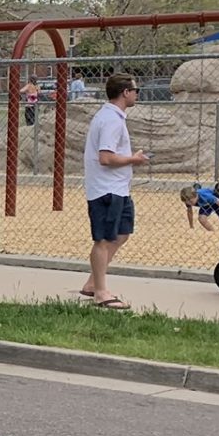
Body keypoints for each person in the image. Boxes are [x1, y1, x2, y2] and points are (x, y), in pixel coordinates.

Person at [81, 73, 147, 311]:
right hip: (106, 190)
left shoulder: (114, 117)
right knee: (104, 239)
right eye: (135, 90)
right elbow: (106, 157)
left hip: (118, 187)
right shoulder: (111, 120)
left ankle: (92, 282)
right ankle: (100, 292)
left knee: (122, 233)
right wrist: (134, 159)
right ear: (125, 92)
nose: (137, 94)